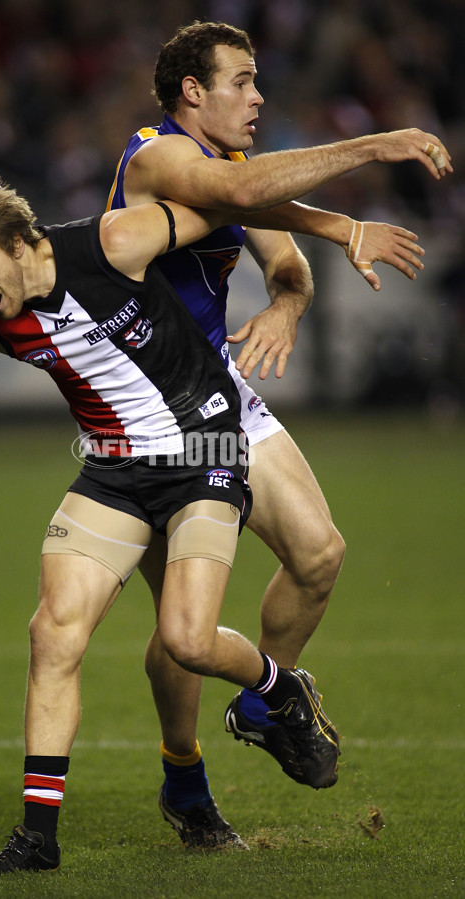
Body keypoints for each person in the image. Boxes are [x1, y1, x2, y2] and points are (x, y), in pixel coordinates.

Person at [0, 113, 449, 874]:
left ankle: (277, 689)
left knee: (188, 639)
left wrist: (341, 227)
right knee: (52, 632)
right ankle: (37, 839)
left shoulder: (114, 242)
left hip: (205, 450)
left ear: (21, 242)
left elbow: (235, 201)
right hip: (115, 470)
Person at [107, 20, 452, 847]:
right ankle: (186, 781)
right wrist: (375, 147)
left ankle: (266, 704)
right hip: (151, 413)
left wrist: (288, 304)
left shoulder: (233, 171)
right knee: (183, 630)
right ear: (194, 90)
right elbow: (241, 195)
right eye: (243, 81)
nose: (259, 97)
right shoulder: (153, 155)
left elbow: (279, 253)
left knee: (320, 552)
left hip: (221, 394)